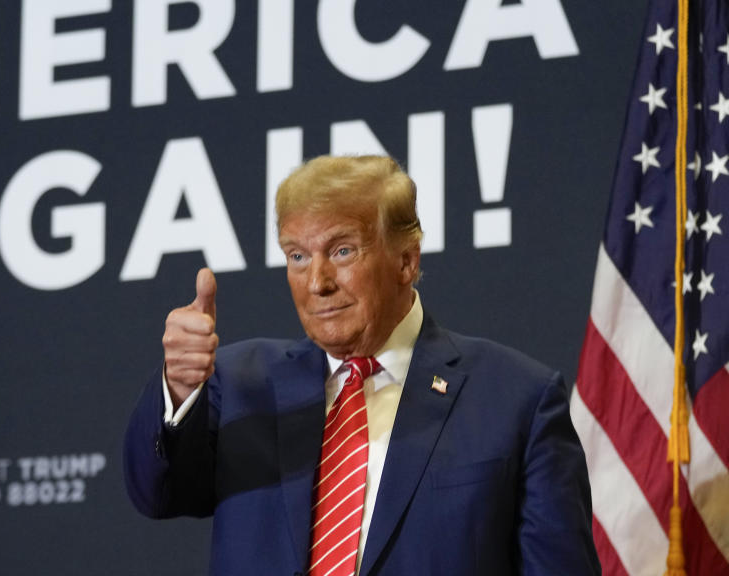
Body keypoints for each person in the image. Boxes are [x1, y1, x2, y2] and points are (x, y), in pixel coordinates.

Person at [124, 155, 600, 575]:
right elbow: (157, 494)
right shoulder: (241, 384)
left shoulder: (516, 400)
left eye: (342, 251)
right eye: (297, 255)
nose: (317, 282)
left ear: (406, 261)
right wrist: (180, 389)